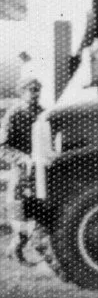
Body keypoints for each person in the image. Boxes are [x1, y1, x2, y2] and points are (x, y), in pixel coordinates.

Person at [1, 75, 43, 263]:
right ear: (22, 92)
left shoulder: (43, 113)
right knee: (20, 211)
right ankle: (16, 248)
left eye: (38, 90)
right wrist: (22, 158)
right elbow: (3, 147)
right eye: (31, 90)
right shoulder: (14, 114)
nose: (35, 93)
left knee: (40, 213)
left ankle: (41, 251)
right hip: (21, 172)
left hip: (41, 171)